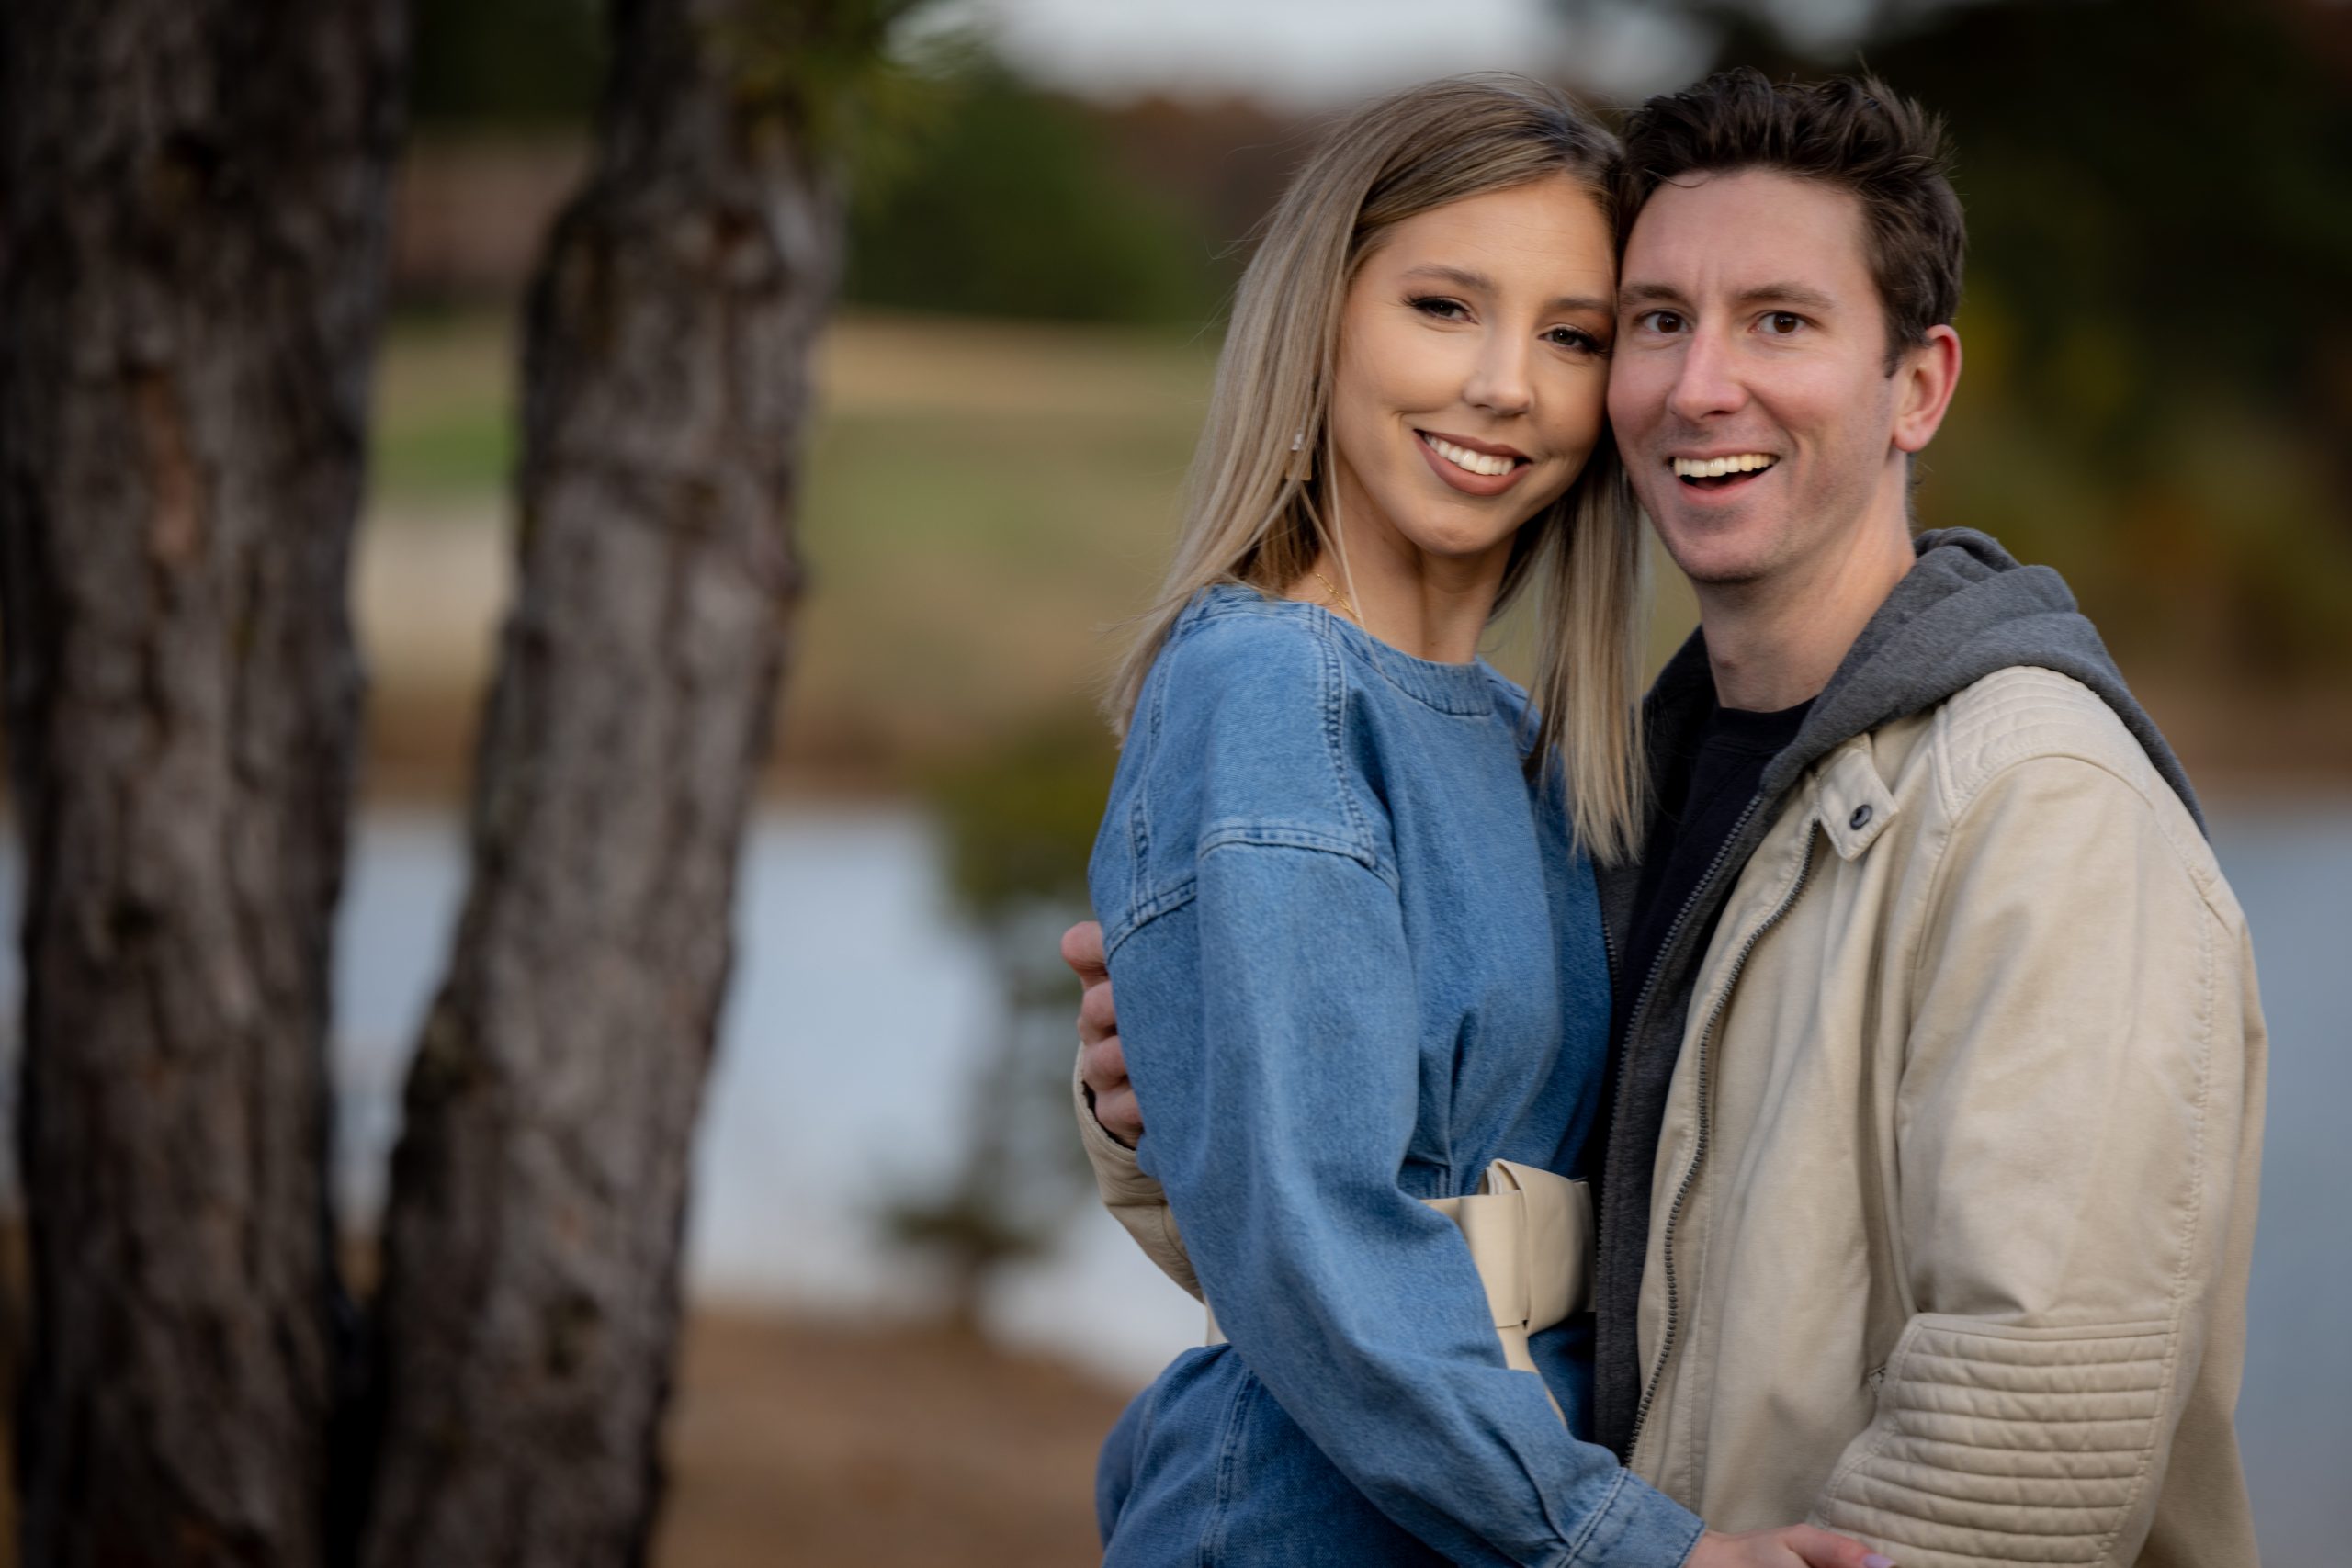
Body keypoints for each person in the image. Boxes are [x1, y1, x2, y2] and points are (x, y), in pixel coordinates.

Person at [1069, 69, 2266, 1567]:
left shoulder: (2029, 800)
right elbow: (1367, 1247)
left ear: (1919, 386)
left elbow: (2040, 1398)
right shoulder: (1607, 776)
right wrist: (1165, 1087)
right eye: (1653, 322)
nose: (1702, 384)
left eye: (1781, 319)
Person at [1079, 74, 1885, 1568]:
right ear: (1322, 321)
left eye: (1574, 336)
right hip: (1317, 1522)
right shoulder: (1272, 690)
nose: (1507, 385)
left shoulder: (1532, 753)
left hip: (1495, 1501)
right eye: (1445, 308)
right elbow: (1320, 1241)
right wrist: (1642, 1549)